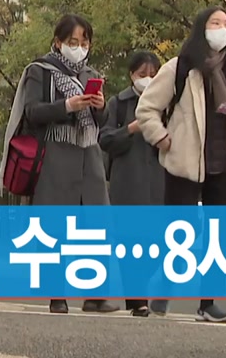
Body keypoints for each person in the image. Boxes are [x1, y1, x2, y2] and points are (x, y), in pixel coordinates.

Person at [135, 7, 226, 323]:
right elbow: (147, 109)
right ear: (202, 28)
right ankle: (163, 287)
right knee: (181, 233)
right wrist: (162, 138)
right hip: (184, 163)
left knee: (220, 237)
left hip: (222, 164)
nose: (222, 29)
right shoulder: (180, 68)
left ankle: (208, 303)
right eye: (215, 23)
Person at [0, 14, 118, 315]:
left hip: (89, 154)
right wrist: (66, 106)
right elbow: (32, 112)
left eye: (84, 43)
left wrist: (100, 106)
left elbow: (101, 121)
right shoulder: (40, 70)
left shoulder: (91, 73)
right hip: (55, 154)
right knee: (54, 227)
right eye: (72, 42)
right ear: (58, 42)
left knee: (95, 224)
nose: (79, 48)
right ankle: (57, 294)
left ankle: (95, 294)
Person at [98, 50, 164, 317]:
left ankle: (141, 293)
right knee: (130, 244)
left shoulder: (166, 104)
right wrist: (131, 128)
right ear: (131, 75)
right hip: (127, 182)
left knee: (158, 245)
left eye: (153, 75)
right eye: (142, 74)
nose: (147, 79)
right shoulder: (119, 103)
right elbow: (105, 139)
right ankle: (137, 301)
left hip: (158, 182)